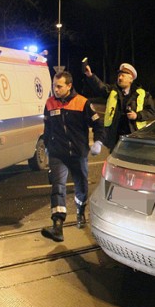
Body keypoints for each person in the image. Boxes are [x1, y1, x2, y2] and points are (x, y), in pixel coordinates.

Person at [41, 71, 105, 242]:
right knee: (57, 186)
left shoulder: (82, 102)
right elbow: (47, 129)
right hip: (57, 154)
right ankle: (57, 226)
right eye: (54, 85)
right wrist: (46, 147)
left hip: (78, 153)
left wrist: (98, 142)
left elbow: (98, 124)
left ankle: (80, 210)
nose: (56, 89)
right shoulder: (49, 104)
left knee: (81, 185)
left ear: (69, 86)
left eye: (59, 86)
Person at [84, 62, 155, 150]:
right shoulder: (113, 91)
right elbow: (100, 87)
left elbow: (151, 111)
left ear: (131, 79)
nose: (119, 78)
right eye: (119, 76)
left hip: (133, 135)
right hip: (115, 136)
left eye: (123, 76)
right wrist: (90, 75)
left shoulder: (142, 94)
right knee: (114, 161)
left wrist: (137, 115)